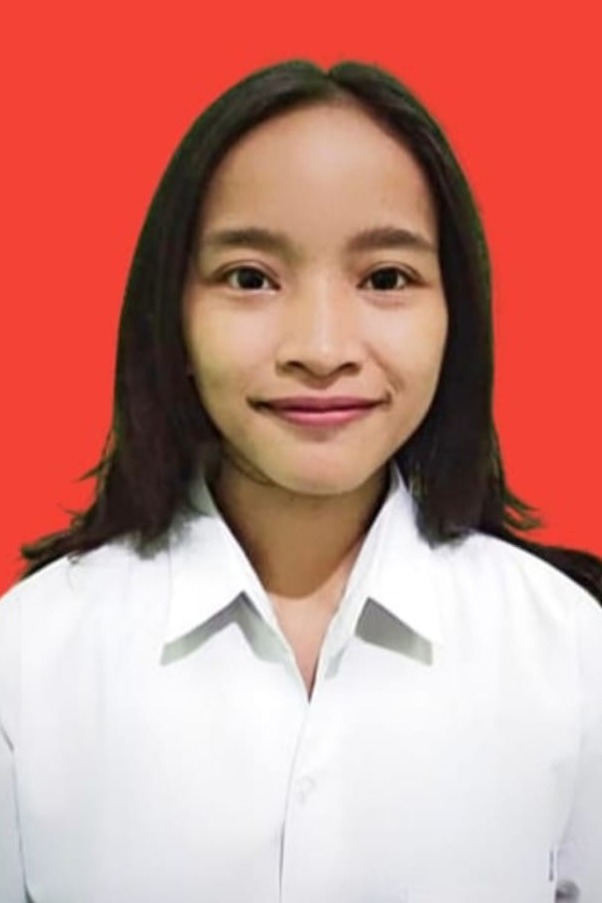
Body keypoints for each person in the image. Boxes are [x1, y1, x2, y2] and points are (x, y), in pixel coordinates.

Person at [1, 59, 601, 903]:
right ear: (172, 314)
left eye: (385, 278)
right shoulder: (26, 659)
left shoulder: (573, 653)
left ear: (455, 317)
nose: (321, 348)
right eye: (250, 278)